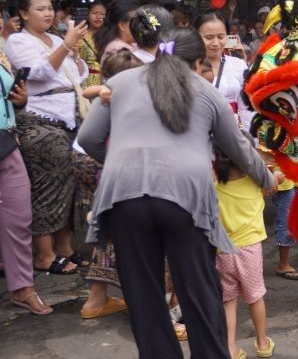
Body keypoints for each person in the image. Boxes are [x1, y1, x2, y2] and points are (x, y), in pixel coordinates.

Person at [77, 28, 276, 358]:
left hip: (124, 197)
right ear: (198, 63)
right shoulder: (205, 91)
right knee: (199, 293)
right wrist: (267, 179)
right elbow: (240, 151)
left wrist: (123, 164)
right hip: (184, 199)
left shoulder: (121, 83)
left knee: (144, 297)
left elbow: (88, 138)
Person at [4, 0, 88, 275]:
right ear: (24, 14)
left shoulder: (54, 38)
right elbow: (38, 72)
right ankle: (43, 253)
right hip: (40, 119)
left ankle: (65, 248)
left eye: (50, 7)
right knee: (46, 187)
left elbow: (79, 74)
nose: (48, 12)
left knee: (68, 187)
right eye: (40, 8)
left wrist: (73, 52)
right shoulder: (17, 41)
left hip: (68, 117)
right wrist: (66, 46)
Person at [77, 50, 144, 321]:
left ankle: (96, 299)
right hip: (123, 176)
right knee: (143, 238)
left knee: (107, 234)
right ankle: (152, 307)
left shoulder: (106, 95)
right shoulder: (119, 100)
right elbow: (90, 138)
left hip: (106, 175)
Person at [213, 143, 279, 359]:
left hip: (222, 251)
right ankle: (262, 343)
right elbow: (281, 177)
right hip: (249, 250)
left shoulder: (215, 187)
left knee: (228, 300)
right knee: (255, 297)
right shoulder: (255, 183)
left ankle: (230, 349)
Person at [0, 51, 52, 315]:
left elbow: (9, 99)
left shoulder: (1, 55)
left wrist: (20, 101)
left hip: (7, 143)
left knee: (19, 217)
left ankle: (22, 288)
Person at [195, 12, 254, 129]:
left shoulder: (239, 65)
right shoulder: (185, 66)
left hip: (231, 135)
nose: (216, 43)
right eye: (209, 38)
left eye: (221, 37)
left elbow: (247, 109)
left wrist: (250, 142)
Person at [78, 1, 107, 87]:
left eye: (102, 14)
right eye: (94, 13)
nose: (98, 17)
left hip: (106, 82)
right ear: (88, 15)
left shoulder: (110, 37)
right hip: (85, 82)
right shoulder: (80, 35)